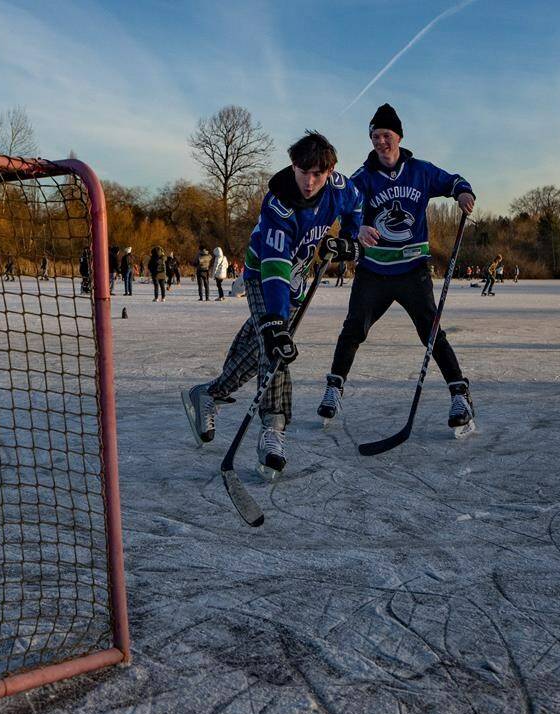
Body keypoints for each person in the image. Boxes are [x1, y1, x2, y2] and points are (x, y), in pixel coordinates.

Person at [182, 131, 363, 478]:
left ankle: (209, 393)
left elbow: (356, 205)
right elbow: (276, 265)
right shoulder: (279, 204)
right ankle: (274, 429)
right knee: (277, 349)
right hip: (263, 275)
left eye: (317, 175)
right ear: (292, 165)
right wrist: (275, 321)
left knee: (262, 347)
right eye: (302, 171)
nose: (309, 182)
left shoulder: (340, 186)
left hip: (296, 280)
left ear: (330, 171)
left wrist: (349, 239)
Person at [318, 104, 477, 435]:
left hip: (413, 271)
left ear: (399, 137)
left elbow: (454, 180)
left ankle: (460, 394)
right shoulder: (361, 179)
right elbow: (345, 213)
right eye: (374, 136)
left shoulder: (420, 170)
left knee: (431, 332)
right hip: (374, 272)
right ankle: (334, 389)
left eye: (385, 135)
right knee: (353, 329)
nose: (380, 142)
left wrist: (463, 193)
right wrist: (356, 230)